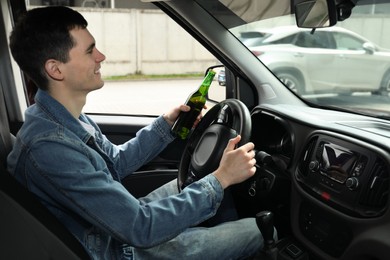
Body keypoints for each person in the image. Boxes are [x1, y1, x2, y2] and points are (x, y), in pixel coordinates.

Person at [7, 6, 269, 260]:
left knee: (197, 183)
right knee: (260, 231)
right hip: (116, 249)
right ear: (56, 69)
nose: (101, 56)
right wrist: (221, 178)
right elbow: (141, 228)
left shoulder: (63, 118)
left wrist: (165, 125)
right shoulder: (50, 146)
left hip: (114, 230)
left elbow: (115, 162)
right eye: (89, 51)